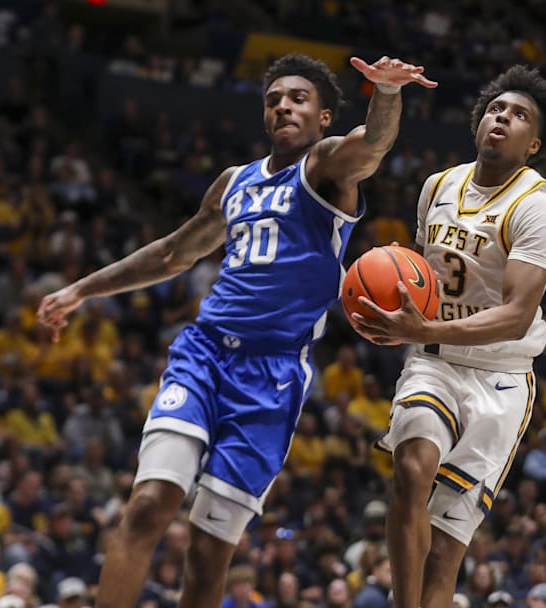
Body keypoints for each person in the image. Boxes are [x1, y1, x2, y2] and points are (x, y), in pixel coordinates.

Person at [37, 53, 436, 608]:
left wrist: (387, 93)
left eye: (298, 98)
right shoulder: (235, 183)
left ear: (323, 118)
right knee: (149, 504)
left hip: (271, 376)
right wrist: (82, 289)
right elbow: (174, 252)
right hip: (202, 355)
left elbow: (372, 146)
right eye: (273, 100)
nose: (283, 107)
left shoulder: (324, 167)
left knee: (207, 554)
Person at [349, 65, 546, 608]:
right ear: (479, 123)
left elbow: (518, 314)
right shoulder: (438, 186)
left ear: (532, 143)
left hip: (500, 377)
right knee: (411, 466)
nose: (503, 119)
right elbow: (422, 282)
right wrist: (404, 318)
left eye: (518, 116)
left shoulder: (537, 204)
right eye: (496, 109)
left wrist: (424, 327)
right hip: (435, 361)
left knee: (445, 553)